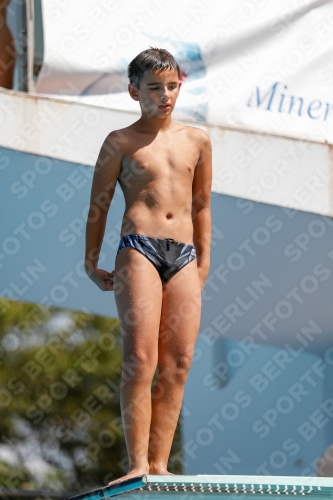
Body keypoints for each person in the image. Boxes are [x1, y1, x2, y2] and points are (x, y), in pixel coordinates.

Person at [84, 47, 212, 484]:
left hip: (185, 256)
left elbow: (202, 206)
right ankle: (137, 464)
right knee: (141, 358)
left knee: (178, 363)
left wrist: (205, 264)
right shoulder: (119, 142)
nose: (165, 95)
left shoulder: (198, 140)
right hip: (138, 248)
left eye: (172, 86)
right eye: (154, 88)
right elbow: (98, 207)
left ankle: (159, 464)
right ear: (133, 91)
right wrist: (90, 261)